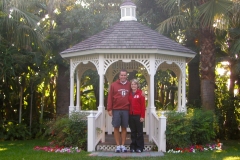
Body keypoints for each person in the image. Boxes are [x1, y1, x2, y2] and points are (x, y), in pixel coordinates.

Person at [107, 69, 130, 153]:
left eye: (124, 75)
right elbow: (110, 97)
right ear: (119, 76)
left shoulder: (129, 85)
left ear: (126, 76)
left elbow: (135, 92)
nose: (123, 76)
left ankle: (123, 146)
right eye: (121, 75)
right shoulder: (113, 85)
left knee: (124, 127)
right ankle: (117, 146)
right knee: (116, 127)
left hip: (126, 109)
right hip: (116, 109)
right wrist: (109, 108)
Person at [128, 79, 145, 153]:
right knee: (133, 132)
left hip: (138, 116)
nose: (133, 85)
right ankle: (133, 147)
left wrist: (142, 116)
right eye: (132, 84)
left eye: (135, 84)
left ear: (137, 85)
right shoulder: (129, 94)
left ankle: (139, 147)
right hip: (130, 116)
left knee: (140, 132)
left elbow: (143, 106)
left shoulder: (141, 93)